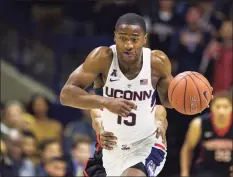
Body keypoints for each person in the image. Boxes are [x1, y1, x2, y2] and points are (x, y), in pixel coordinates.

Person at [60, 13, 173, 176]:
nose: (128, 45)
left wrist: (193, 101)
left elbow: (168, 102)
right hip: (110, 149)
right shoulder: (102, 58)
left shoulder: (157, 62)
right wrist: (106, 102)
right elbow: (66, 95)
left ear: (144, 39)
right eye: (123, 38)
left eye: (134, 39)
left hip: (145, 145)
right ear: (114, 37)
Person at [84, 104, 168, 177]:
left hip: (142, 148)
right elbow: (97, 121)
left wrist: (160, 124)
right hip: (109, 155)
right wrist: (101, 131)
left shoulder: (152, 108)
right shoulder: (99, 107)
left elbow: (160, 118)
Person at [180, 91, 233, 177]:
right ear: (211, 107)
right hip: (206, 170)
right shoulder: (199, 124)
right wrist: (184, 173)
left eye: (226, 107)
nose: (221, 111)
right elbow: (187, 149)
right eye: (218, 107)